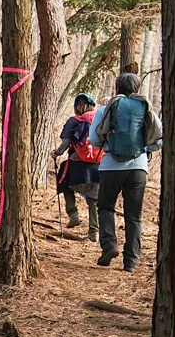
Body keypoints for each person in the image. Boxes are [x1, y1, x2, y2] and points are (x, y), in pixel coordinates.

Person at [88, 72, 162, 272]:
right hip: (139, 168)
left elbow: (94, 140)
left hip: (111, 166)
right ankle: (131, 261)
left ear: (117, 88)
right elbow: (158, 137)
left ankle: (109, 245)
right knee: (134, 216)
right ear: (137, 89)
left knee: (105, 207)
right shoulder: (146, 108)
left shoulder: (106, 109)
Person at [52, 93, 101, 241]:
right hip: (98, 165)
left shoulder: (74, 121)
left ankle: (73, 213)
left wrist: (57, 153)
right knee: (93, 199)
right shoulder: (100, 121)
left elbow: (66, 143)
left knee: (64, 183)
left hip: (77, 165)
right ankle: (94, 232)